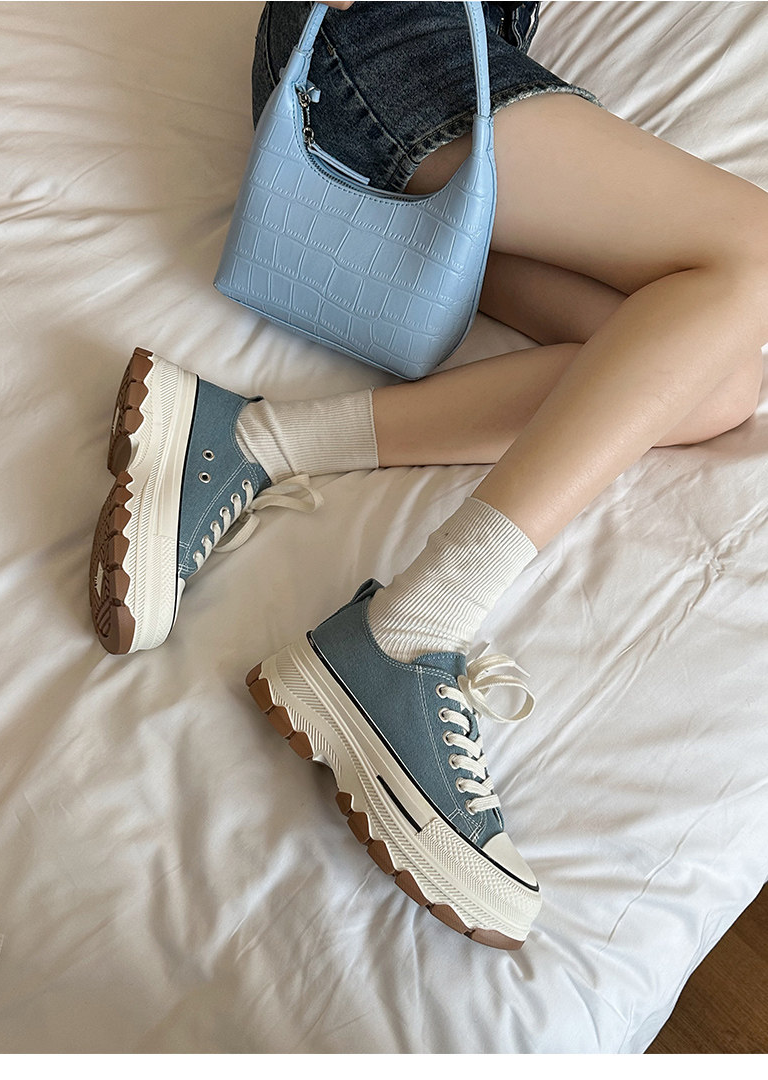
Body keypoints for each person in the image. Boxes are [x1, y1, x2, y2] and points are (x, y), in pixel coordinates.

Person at [89, 1, 768, 949]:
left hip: (447, 64)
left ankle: (255, 439)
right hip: (390, 50)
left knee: (713, 382)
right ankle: (413, 626)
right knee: (757, 253)